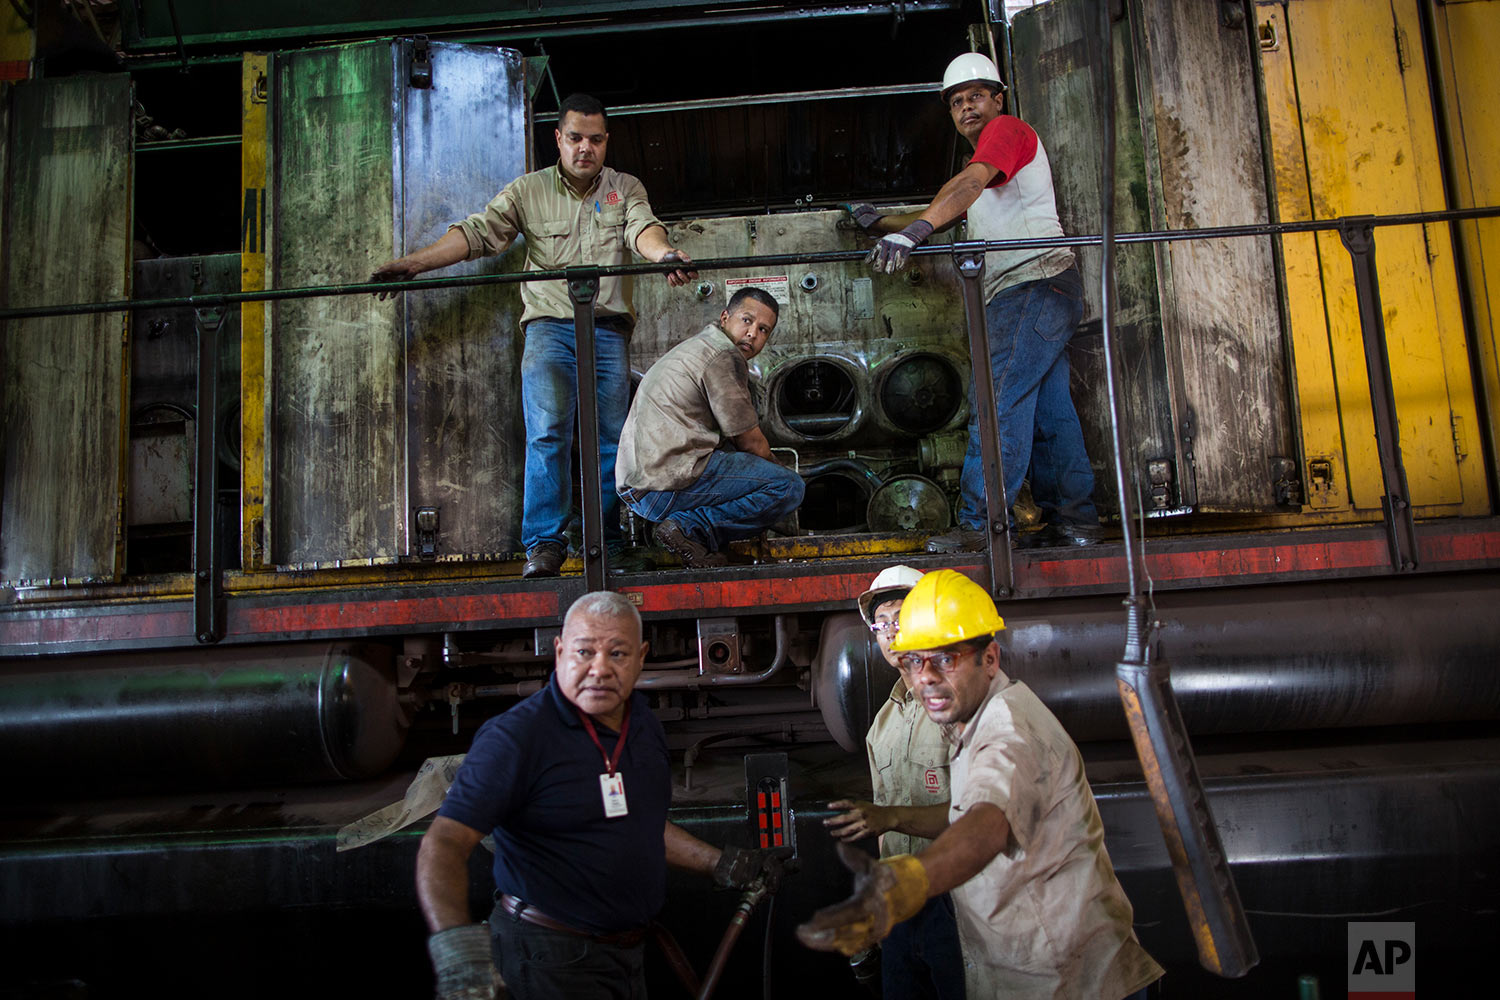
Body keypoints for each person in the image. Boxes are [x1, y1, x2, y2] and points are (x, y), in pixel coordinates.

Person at [798, 569, 1163, 1000]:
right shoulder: (953, 720)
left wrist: (908, 884)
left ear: (990, 659)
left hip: (1074, 983)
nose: (925, 676)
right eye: (915, 660)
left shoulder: (1009, 730)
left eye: (945, 659)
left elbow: (984, 825)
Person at [372, 93, 695, 578]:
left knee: (611, 440)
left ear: (606, 142)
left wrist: (664, 255)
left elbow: (642, 230)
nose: (585, 148)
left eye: (595, 140)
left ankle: (605, 542)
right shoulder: (529, 191)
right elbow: (479, 232)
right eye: (575, 138)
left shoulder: (624, 187)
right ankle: (544, 545)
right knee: (547, 434)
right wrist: (414, 264)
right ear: (558, 139)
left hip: (605, 330)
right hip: (549, 330)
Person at [416, 591, 764, 1000]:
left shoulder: (642, 725)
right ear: (560, 652)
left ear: (641, 657)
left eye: (617, 654)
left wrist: (721, 864)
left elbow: (636, 822)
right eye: (584, 652)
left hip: (625, 955)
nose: (599, 669)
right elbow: (443, 844)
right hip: (548, 959)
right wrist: (461, 961)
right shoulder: (516, 738)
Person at [846, 53, 1100, 550]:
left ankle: (981, 525)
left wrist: (915, 233)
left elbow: (963, 187)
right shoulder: (983, 170)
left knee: (996, 402)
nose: (967, 107)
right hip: (1046, 291)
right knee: (1051, 413)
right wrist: (881, 224)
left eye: (976, 96)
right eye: (957, 102)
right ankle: (1076, 521)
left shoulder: (1004, 133)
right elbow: (945, 207)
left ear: (997, 99)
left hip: (1032, 286)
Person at [824, 565, 965, 1000]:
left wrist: (891, 817)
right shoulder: (882, 725)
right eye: (880, 624)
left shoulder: (960, 706)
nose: (889, 632)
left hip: (961, 907)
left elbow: (984, 814)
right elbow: (885, 834)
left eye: (900, 618)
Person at [615, 287, 804, 568]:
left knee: (735, 464)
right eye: (747, 320)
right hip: (663, 486)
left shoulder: (701, 346)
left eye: (764, 329)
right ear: (725, 317)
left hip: (640, 487)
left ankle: (703, 543)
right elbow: (750, 443)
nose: (753, 333)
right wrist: (779, 472)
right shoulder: (722, 356)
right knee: (788, 487)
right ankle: (687, 528)